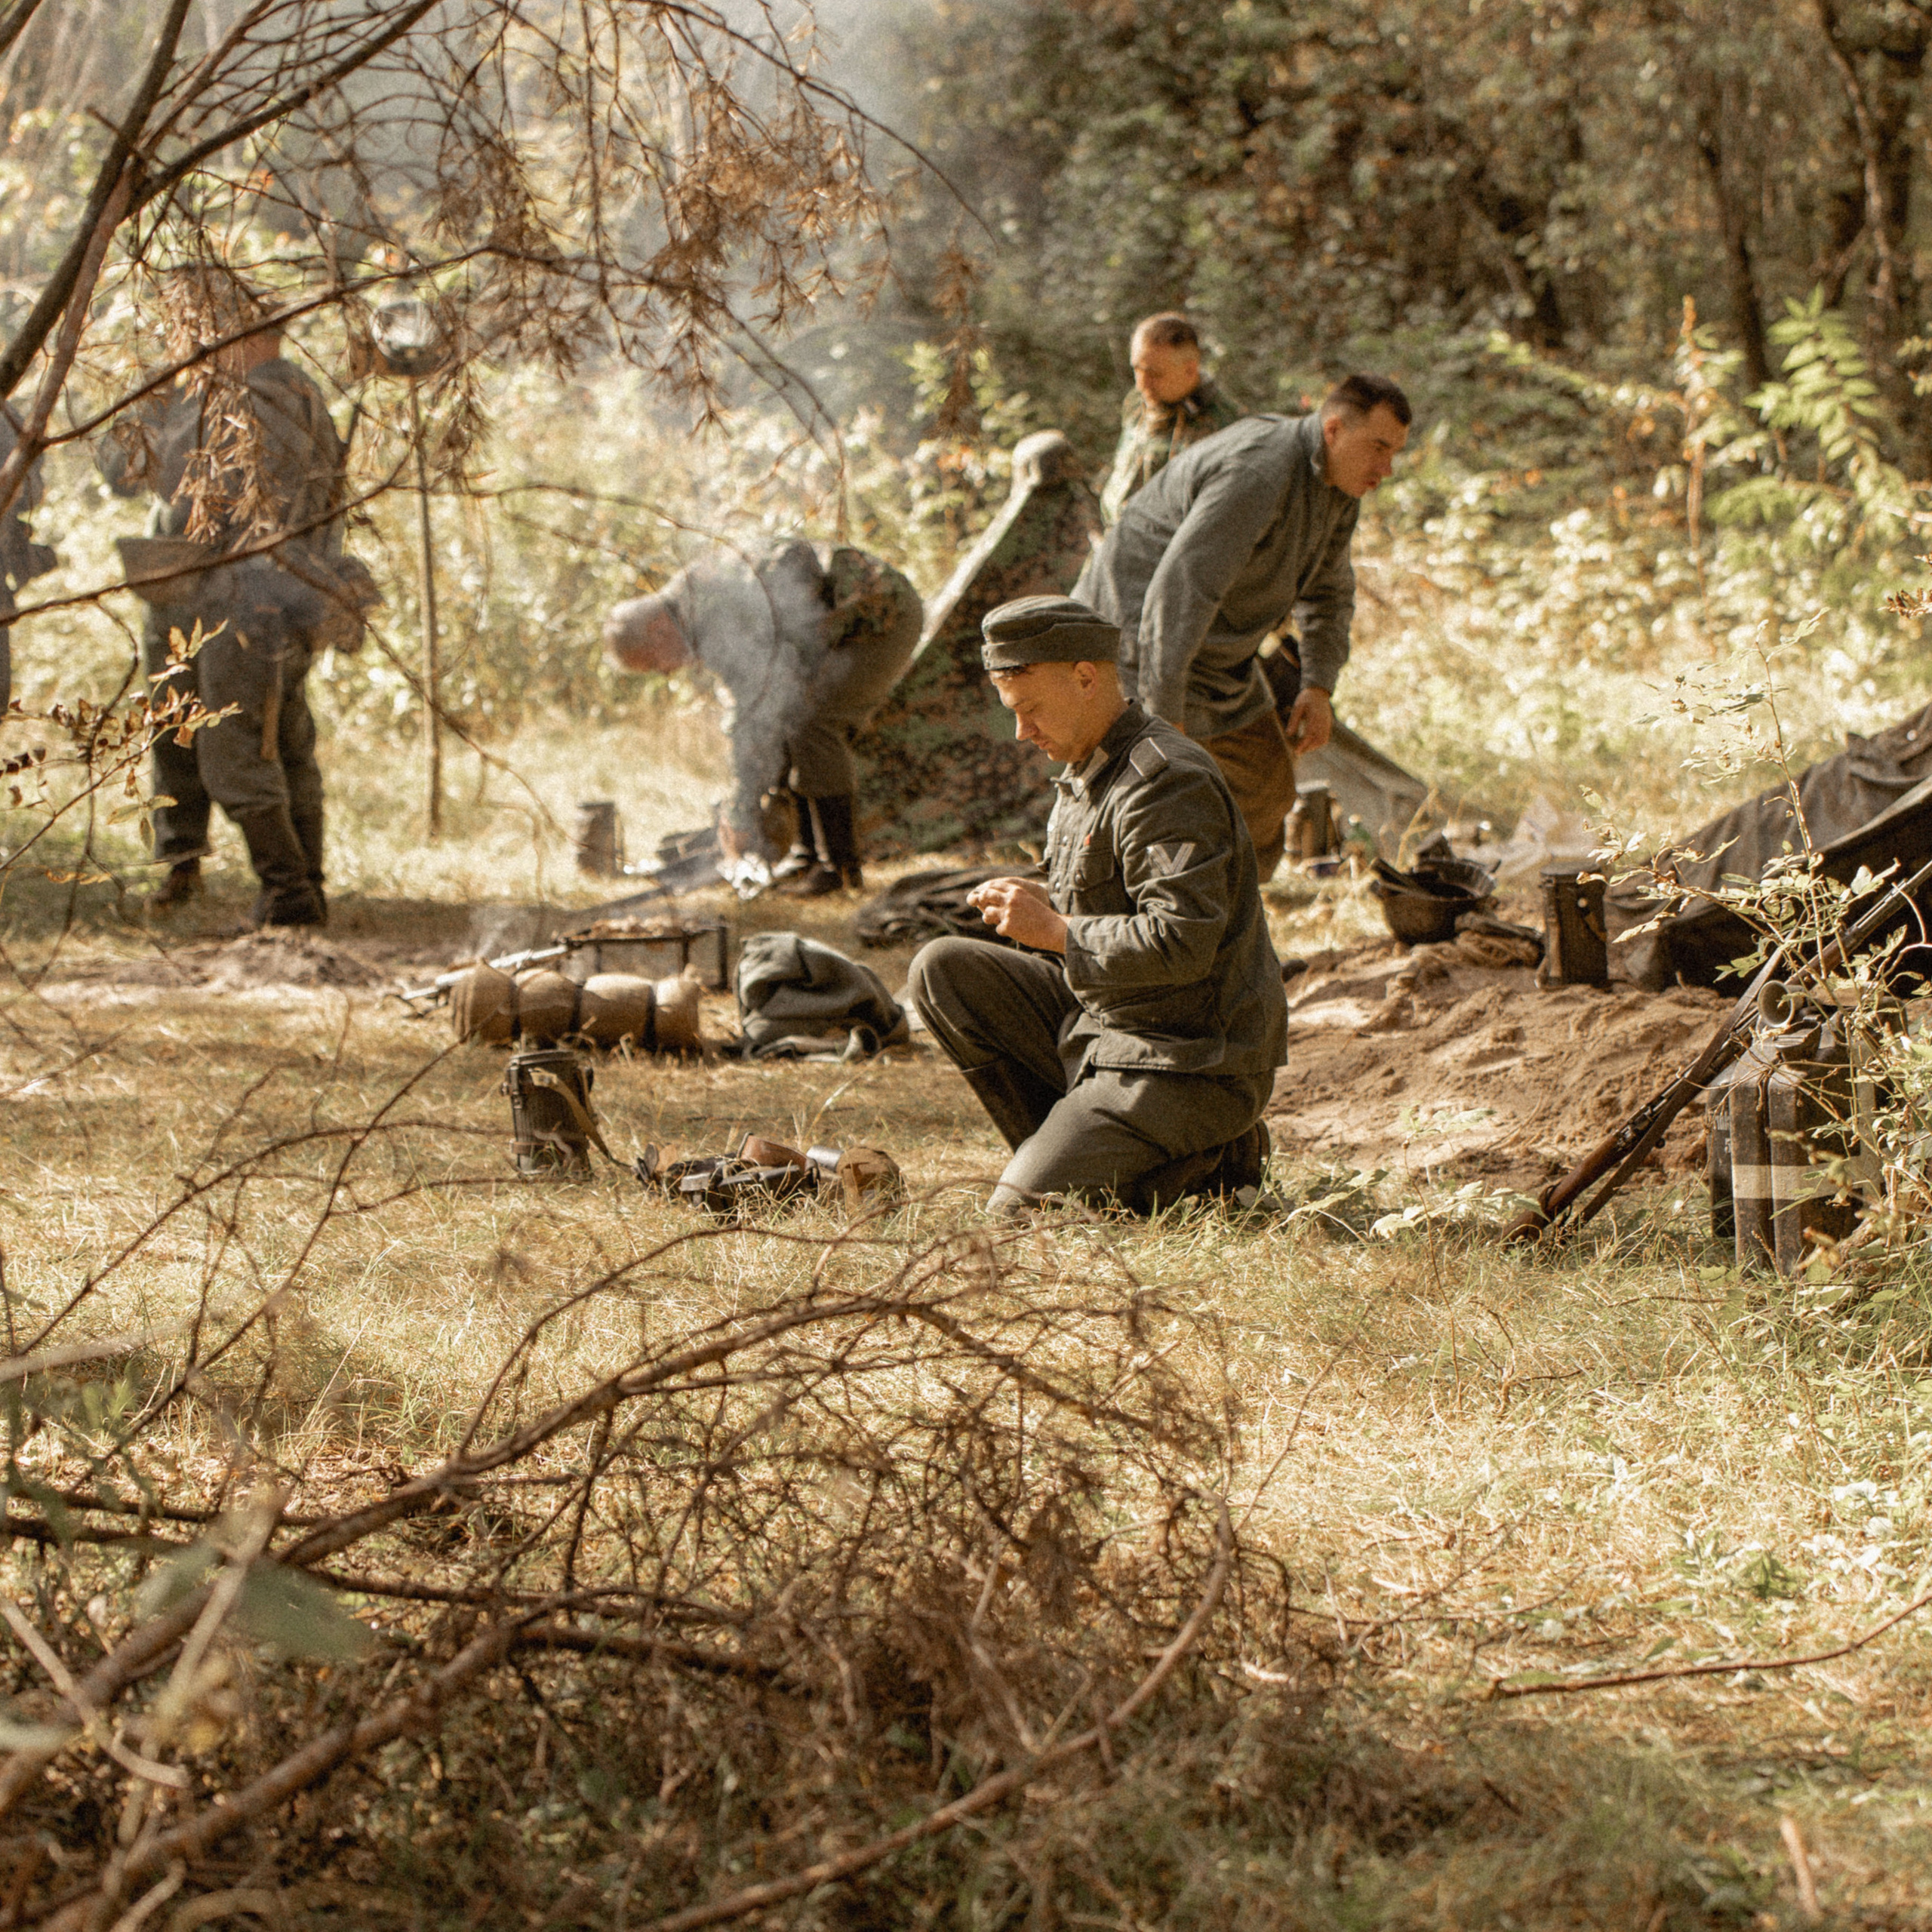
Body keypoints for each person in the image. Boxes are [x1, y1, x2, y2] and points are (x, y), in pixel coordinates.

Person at [907, 594, 1285, 1216]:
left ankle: (1203, 1165)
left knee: (1015, 1217)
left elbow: (1181, 940)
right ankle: (1085, 1158)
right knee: (943, 968)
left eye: (1030, 710)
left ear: (1086, 678)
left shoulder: (1165, 780)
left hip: (1187, 1060)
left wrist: (1057, 930)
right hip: (1108, 1031)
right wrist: (1045, 900)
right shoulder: (1089, 768)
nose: (1022, 732)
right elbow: (1115, 892)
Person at [1073, 372, 1412, 878]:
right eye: (1379, 448)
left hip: (1216, 655)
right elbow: (1181, 591)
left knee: (1267, 791)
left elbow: (1329, 592)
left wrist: (1318, 687)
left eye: (1396, 454)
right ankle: (1118, 925)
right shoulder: (1260, 471)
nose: (1386, 468)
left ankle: (1225, 923)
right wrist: (1164, 718)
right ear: (1334, 429)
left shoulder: (1340, 486)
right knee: (1144, 801)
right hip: (1130, 642)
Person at [100, 272, 350, 924]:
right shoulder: (295, 393)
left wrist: (152, 404)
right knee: (277, 745)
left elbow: (144, 474)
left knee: (238, 751)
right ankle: (296, 887)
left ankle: (290, 896)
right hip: (261, 600)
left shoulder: (254, 402)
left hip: (245, 605)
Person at [604, 538, 921, 895]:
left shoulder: (709, 612)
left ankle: (840, 870)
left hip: (882, 616)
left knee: (816, 726)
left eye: (652, 663)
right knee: (794, 718)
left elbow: (753, 712)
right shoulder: (692, 608)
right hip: (837, 626)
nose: (663, 673)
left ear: (658, 628)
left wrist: (741, 811)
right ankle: (807, 858)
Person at [1098, 312, 1241, 527]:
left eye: (1154, 374)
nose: (1141, 385)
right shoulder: (1137, 403)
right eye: (1137, 369)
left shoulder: (1225, 426)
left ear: (1190, 370)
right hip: (1113, 539)